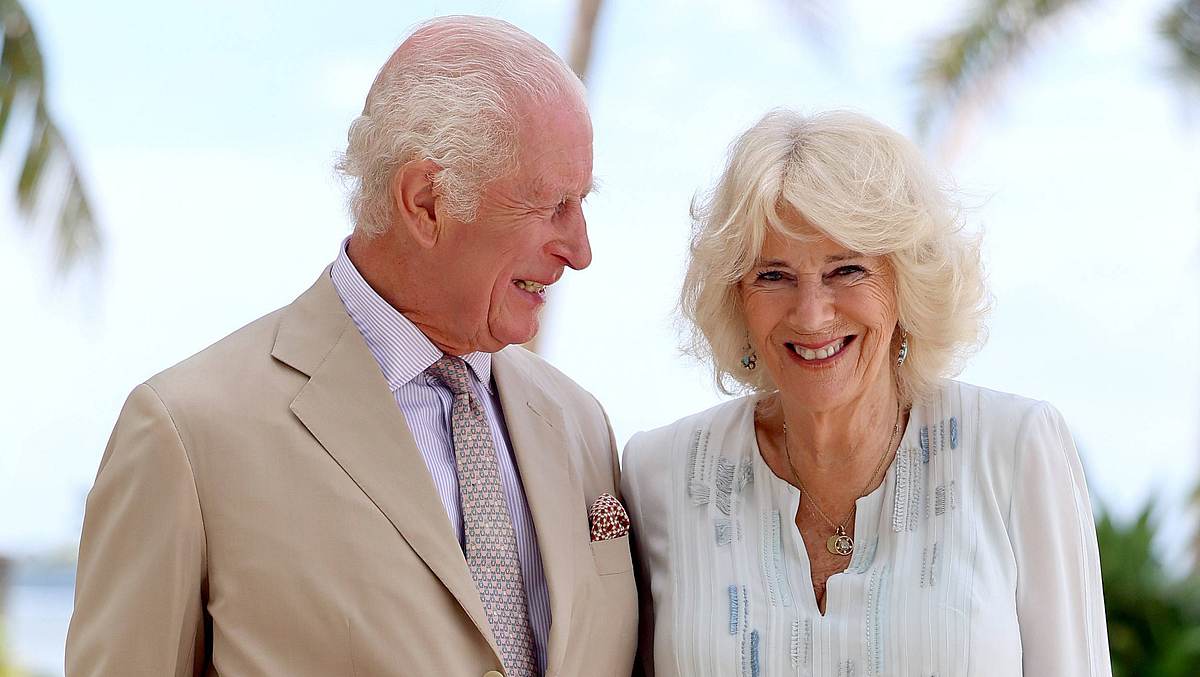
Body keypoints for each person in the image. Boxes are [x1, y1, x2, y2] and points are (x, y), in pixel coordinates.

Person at [66, 16, 637, 677]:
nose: (580, 249)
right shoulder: (186, 434)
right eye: (551, 206)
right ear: (426, 202)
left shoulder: (581, 424)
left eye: (583, 202)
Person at [622, 109, 1111, 676]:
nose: (811, 315)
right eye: (773, 276)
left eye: (847, 270)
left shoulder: (1012, 449)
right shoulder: (662, 474)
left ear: (905, 282)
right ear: (736, 296)